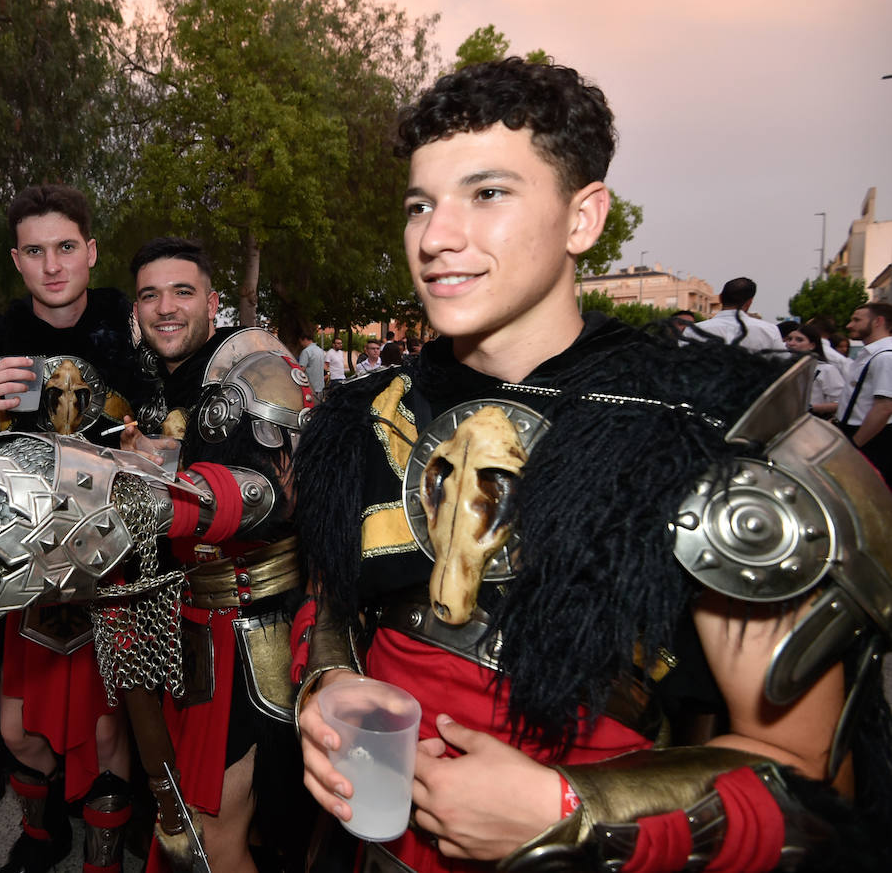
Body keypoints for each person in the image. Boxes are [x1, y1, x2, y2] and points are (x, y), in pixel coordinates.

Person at [293, 57, 889, 873]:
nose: (436, 237)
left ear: (584, 219)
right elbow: (330, 599)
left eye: (488, 193)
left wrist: (571, 812)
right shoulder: (365, 415)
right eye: (420, 205)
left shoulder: (704, 435)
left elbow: (812, 782)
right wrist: (327, 684)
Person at [0, 184, 152, 872]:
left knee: (110, 731)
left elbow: (182, 436)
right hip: (23, 575)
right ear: (16, 261)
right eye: (34, 251)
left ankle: (102, 856)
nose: (52, 266)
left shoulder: (134, 325)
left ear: (90, 251)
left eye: (65, 247)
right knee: (19, 731)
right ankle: (45, 830)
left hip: (117, 568)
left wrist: (154, 450)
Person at [125, 237, 312, 871]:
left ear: (211, 300)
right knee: (180, 809)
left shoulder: (252, 363)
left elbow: (279, 492)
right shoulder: (152, 383)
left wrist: (162, 494)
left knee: (215, 830)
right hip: (179, 618)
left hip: (252, 623)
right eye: (150, 294)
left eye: (182, 291)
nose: (166, 308)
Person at [835, 302, 892, 484]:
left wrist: (855, 445)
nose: (849, 325)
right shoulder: (869, 354)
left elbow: (884, 408)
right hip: (863, 433)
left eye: (856, 320)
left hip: (873, 438)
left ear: (878, 322)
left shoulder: (885, 356)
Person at [682, 278, 786, 352]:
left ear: (720, 298)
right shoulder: (769, 331)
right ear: (749, 302)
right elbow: (782, 364)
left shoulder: (693, 330)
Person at [784, 324, 843, 417]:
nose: (791, 343)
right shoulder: (784, 368)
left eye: (799, 340)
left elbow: (840, 403)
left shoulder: (826, 370)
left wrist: (811, 407)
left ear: (812, 345)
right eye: (789, 339)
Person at [297, 332, 326, 400]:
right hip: (321, 387)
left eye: (301, 342)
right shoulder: (320, 350)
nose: (301, 344)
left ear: (305, 339)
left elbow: (301, 369)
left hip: (311, 388)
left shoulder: (306, 351)